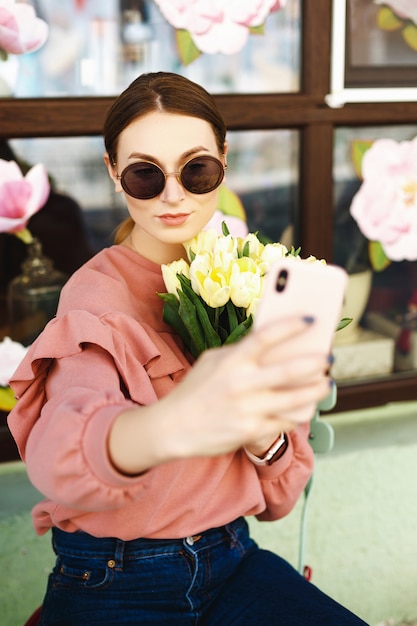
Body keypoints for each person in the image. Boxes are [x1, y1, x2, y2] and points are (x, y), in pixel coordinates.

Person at [8, 72, 368, 626]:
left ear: (225, 160)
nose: (173, 195)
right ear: (113, 171)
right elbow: (60, 450)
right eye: (145, 175)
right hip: (117, 575)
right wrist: (171, 424)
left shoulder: (253, 273)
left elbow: (281, 497)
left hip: (233, 558)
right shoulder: (95, 298)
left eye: (197, 169)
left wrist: (263, 433)